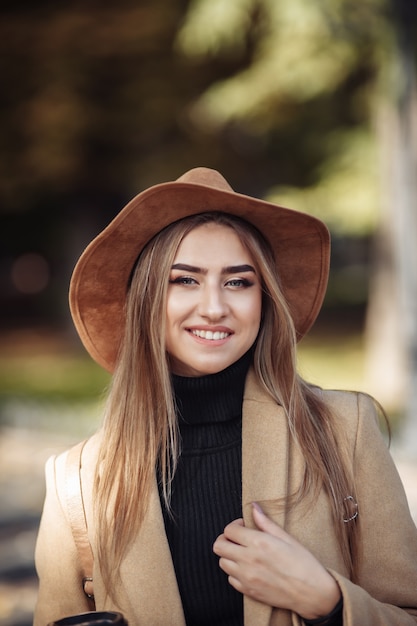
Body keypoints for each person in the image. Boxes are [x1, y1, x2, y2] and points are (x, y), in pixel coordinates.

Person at [34, 167, 417, 626]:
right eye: (185, 280)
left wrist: (328, 602)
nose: (215, 307)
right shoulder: (76, 483)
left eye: (238, 282)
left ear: (265, 298)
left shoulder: (344, 430)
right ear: (147, 300)